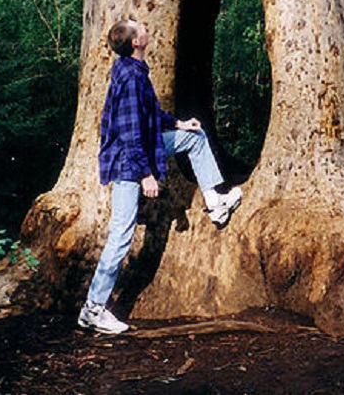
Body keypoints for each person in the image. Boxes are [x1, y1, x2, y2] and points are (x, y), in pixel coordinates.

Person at [78, 18, 242, 335]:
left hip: (147, 148)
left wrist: (179, 125)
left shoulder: (137, 71)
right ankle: (93, 309)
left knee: (196, 138)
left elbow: (150, 115)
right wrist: (146, 175)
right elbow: (128, 134)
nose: (146, 28)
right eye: (141, 28)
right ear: (136, 42)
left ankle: (215, 202)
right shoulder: (128, 77)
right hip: (130, 163)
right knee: (120, 236)